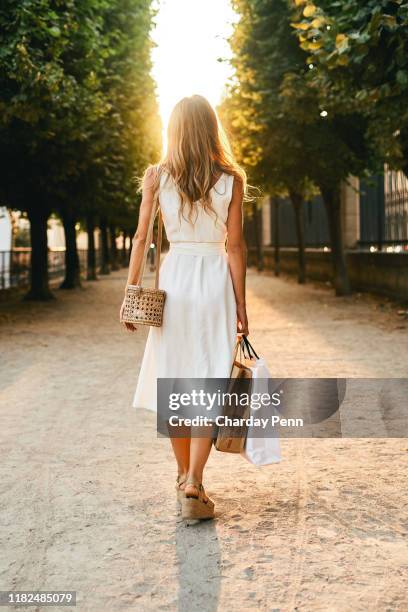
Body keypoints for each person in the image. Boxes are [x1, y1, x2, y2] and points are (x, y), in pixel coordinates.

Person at [120, 94, 249, 521]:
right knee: (209, 381)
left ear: (173, 130)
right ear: (212, 128)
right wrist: (242, 309)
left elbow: (141, 238)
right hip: (214, 283)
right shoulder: (231, 179)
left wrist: (130, 293)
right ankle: (193, 482)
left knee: (175, 382)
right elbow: (235, 247)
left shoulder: (157, 177)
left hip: (175, 281)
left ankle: (183, 477)